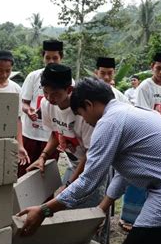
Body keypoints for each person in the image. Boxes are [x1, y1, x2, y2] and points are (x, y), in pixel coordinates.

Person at [18, 77, 161, 244]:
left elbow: (88, 181)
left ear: (89, 105)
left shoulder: (109, 122)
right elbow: (124, 173)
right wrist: (102, 208)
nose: (85, 120)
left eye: (81, 113)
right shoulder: (132, 112)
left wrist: (44, 210)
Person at [25, 64, 105, 207]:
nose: (49, 98)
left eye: (55, 93)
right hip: (75, 163)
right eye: (45, 92)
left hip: (93, 166)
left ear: (69, 90)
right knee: (66, 203)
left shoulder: (83, 111)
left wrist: (69, 184)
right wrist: (43, 157)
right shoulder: (46, 104)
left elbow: (89, 154)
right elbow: (55, 134)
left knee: (90, 211)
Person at [120, 52, 161, 231]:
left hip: (156, 137)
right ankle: (127, 218)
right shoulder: (145, 87)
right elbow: (142, 115)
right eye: (158, 68)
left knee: (151, 180)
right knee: (137, 177)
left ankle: (142, 216)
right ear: (152, 67)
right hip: (142, 137)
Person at [20, 40, 63, 177]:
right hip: (30, 134)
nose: (51, 61)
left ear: (61, 58)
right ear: (43, 57)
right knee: (24, 172)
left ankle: (46, 199)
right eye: (48, 58)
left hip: (51, 137)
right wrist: (28, 110)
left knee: (46, 176)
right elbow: (24, 102)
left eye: (55, 58)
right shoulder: (33, 76)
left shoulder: (68, 80)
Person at [0, 50, 29, 165]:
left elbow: (17, 119)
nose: (4, 75)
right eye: (0, 71)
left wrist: (20, 145)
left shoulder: (16, 89)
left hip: (6, 138)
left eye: (8, 71)